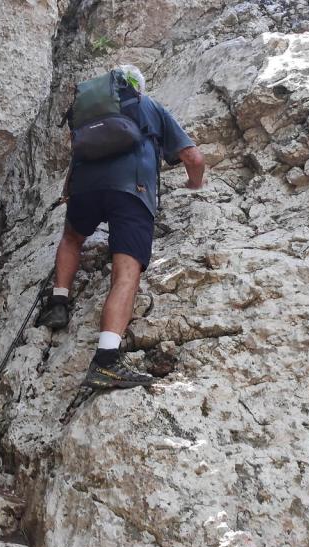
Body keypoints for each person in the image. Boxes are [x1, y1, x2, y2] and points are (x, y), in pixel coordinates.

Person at [36, 64, 205, 388]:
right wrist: (194, 185)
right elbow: (192, 158)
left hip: (85, 189)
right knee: (125, 272)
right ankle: (106, 361)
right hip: (133, 191)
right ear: (137, 88)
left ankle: (58, 303)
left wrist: (70, 192)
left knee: (72, 237)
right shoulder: (148, 105)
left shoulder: (87, 113)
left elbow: (77, 154)